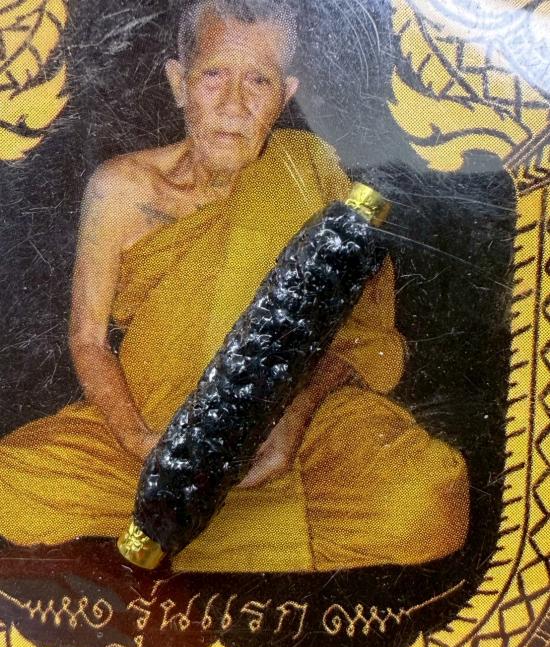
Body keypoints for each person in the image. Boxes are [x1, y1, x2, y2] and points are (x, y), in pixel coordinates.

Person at [0, 0, 469, 572]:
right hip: (151, 428)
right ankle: (239, 532)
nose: (233, 103)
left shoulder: (309, 170)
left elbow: (359, 338)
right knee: (9, 487)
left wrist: (292, 421)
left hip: (296, 431)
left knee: (432, 500)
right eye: (214, 75)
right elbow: (88, 340)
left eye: (259, 81)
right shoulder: (121, 188)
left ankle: (178, 533)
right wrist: (144, 444)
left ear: (285, 95)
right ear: (179, 83)